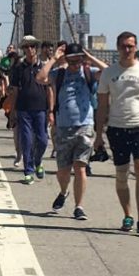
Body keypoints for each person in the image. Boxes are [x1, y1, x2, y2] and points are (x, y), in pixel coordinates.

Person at [94, 30, 139, 235]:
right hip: (116, 128)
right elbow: (102, 106)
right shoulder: (108, 73)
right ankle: (127, 215)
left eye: (130, 46)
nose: (127, 50)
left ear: (136, 48)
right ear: (118, 48)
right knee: (122, 174)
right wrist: (98, 135)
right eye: (123, 46)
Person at [37, 42, 107, 220]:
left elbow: (108, 71)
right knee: (63, 170)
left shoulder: (88, 72)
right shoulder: (59, 74)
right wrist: (54, 59)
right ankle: (63, 191)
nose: (75, 65)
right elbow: (40, 78)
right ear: (66, 60)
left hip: (85, 125)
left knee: (80, 167)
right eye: (72, 61)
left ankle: (79, 206)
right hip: (63, 126)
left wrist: (89, 57)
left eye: (78, 61)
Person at [8, 35, 50, 184]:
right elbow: (14, 91)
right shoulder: (19, 68)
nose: (30, 49)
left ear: (36, 48)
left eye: (32, 46)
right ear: (23, 49)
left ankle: (38, 161)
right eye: (26, 47)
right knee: (26, 140)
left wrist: (51, 110)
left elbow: (49, 89)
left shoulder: (44, 67)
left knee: (43, 140)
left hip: (41, 109)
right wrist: (12, 112)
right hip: (23, 108)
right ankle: (29, 171)